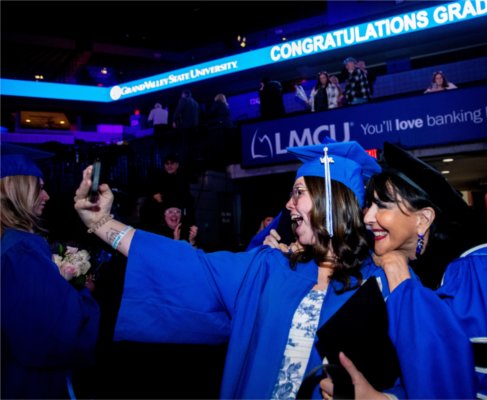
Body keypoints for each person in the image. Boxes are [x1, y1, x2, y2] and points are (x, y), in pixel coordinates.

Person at [72, 140, 410, 399]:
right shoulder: (269, 269)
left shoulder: (385, 284)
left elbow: (425, 376)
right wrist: (100, 221)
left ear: (331, 202)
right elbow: (188, 266)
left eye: (298, 193)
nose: (288, 204)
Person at [321, 141, 487, 399]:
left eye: (382, 206)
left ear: (423, 219)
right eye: (369, 205)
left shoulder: (475, 270)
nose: (367, 218)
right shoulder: (406, 261)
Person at [1, 153, 100, 399]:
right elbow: (53, 335)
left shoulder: (9, 242)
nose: (46, 196)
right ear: (19, 191)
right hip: (27, 383)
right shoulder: (21, 250)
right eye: (40, 188)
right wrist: (85, 294)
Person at [172, 89, 200, 160]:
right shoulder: (195, 102)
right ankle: (195, 158)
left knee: (186, 143)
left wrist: (174, 120)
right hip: (195, 125)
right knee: (194, 143)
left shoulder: (183, 100)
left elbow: (178, 110)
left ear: (184, 94)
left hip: (186, 125)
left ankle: (186, 160)